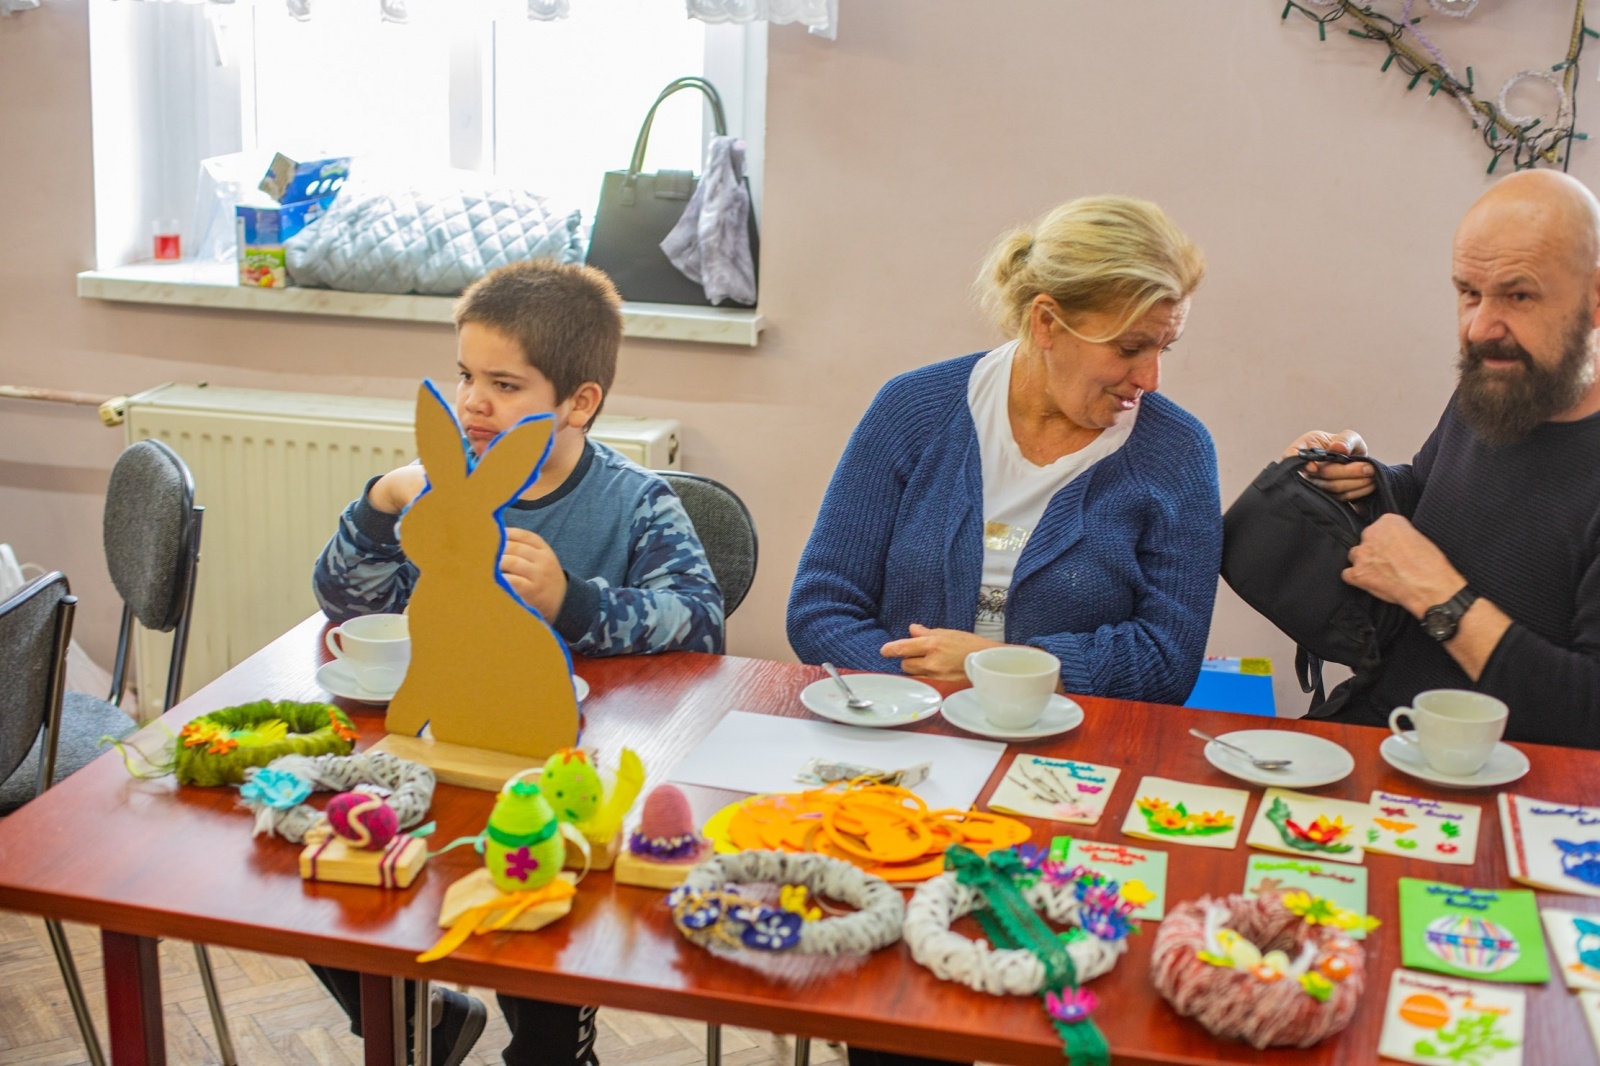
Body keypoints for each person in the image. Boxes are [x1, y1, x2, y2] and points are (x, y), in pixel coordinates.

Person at [310, 259, 725, 1066]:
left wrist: (573, 601)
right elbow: (345, 600)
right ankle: (421, 1024)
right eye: (466, 376)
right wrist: (380, 504)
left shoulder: (636, 503)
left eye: (504, 385)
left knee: (545, 949)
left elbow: (701, 622)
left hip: (565, 770)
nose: (472, 402)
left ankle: (551, 1049)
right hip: (440, 756)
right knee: (327, 871)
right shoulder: (437, 494)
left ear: (579, 402)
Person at [786, 195, 1221, 705]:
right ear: (1046, 322)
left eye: (1164, 348)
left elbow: (1168, 661)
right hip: (899, 721)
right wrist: (924, 697)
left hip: (1073, 738)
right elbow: (822, 609)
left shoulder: (1178, 453)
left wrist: (994, 671)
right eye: (1129, 349)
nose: (1150, 378)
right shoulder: (914, 410)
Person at [1283, 169, 1600, 748]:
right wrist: (1365, 483)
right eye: (1469, 293)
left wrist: (1438, 598)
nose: (1481, 328)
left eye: (1519, 295)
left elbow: (1588, 715)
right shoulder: (1500, 385)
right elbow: (1434, 501)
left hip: (1509, 777)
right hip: (1381, 729)